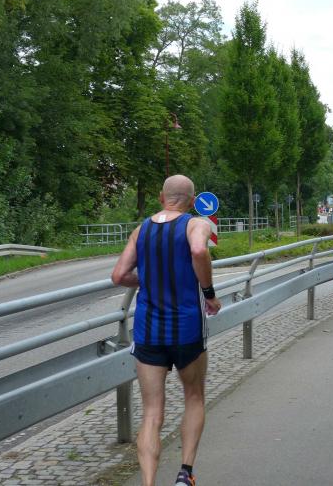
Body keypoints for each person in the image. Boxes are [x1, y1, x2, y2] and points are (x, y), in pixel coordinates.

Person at [111, 175, 222, 486]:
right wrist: (209, 294)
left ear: (162, 197)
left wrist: (148, 279)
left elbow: (119, 275)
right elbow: (198, 252)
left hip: (148, 330)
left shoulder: (141, 230)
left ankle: (148, 482)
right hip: (187, 328)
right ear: (192, 201)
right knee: (194, 397)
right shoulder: (196, 224)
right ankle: (185, 474)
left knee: (152, 413)